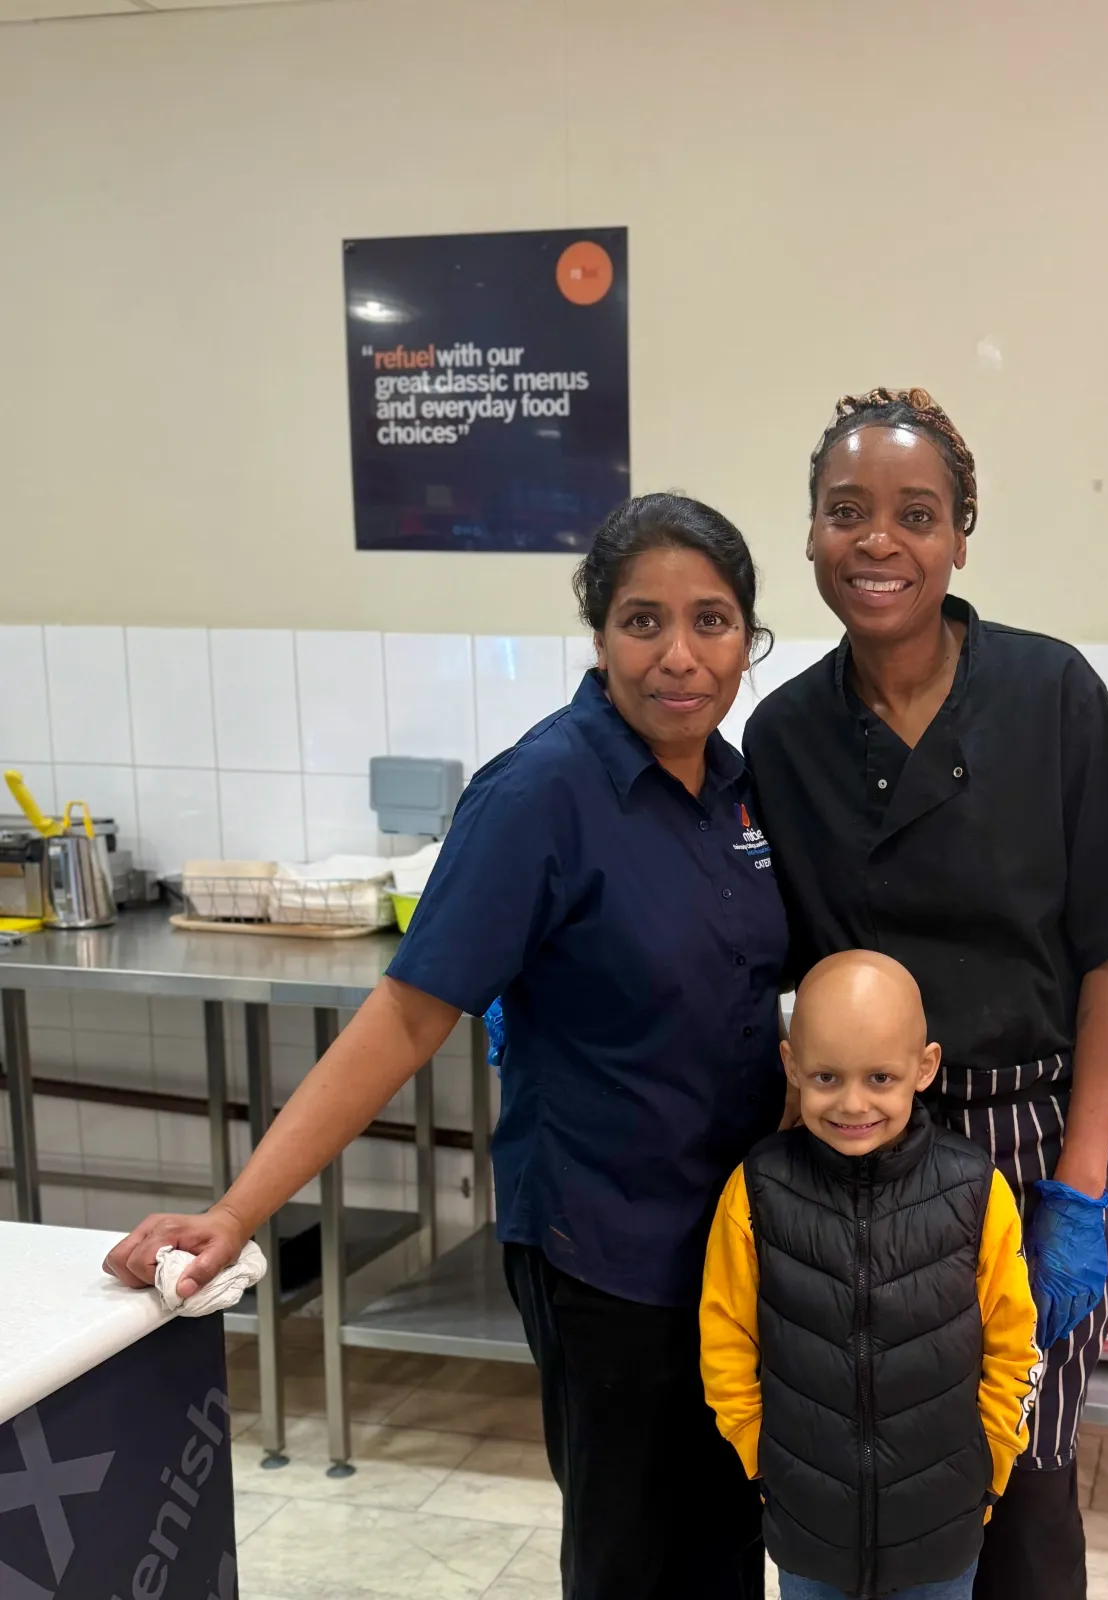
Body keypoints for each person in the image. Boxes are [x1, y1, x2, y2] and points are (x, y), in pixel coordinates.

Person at [104, 493, 788, 1600]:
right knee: (632, 1554)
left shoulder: (735, 788)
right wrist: (239, 1210)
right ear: (598, 632)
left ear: (746, 639)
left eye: (711, 621)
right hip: (603, 1244)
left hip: (735, 1243)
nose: (680, 655)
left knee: (720, 1538)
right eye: (642, 620)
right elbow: (406, 1018)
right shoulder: (540, 794)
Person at [742, 389, 1108, 1600]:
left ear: (959, 537)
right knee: (859, 1473)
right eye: (847, 513)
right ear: (813, 535)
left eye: (914, 514)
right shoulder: (783, 733)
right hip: (848, 1148)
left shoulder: (1049, 695)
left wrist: (1079, 1188)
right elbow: (739, 929)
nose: (878, 540)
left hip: (1021, 1136)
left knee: (1022, 1475)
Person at [700, 951, 1040, 1600]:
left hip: (942, 1531)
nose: (853, 1103)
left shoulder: (976, 1191)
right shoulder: (757, 1190)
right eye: (826, 1077)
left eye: (880, 1077)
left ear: (925, 1068)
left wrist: (989, 1467)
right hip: (807, 1530)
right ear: (790, 1066)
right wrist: (761, 1457)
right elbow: (725, 1340)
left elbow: (1015, 1345)